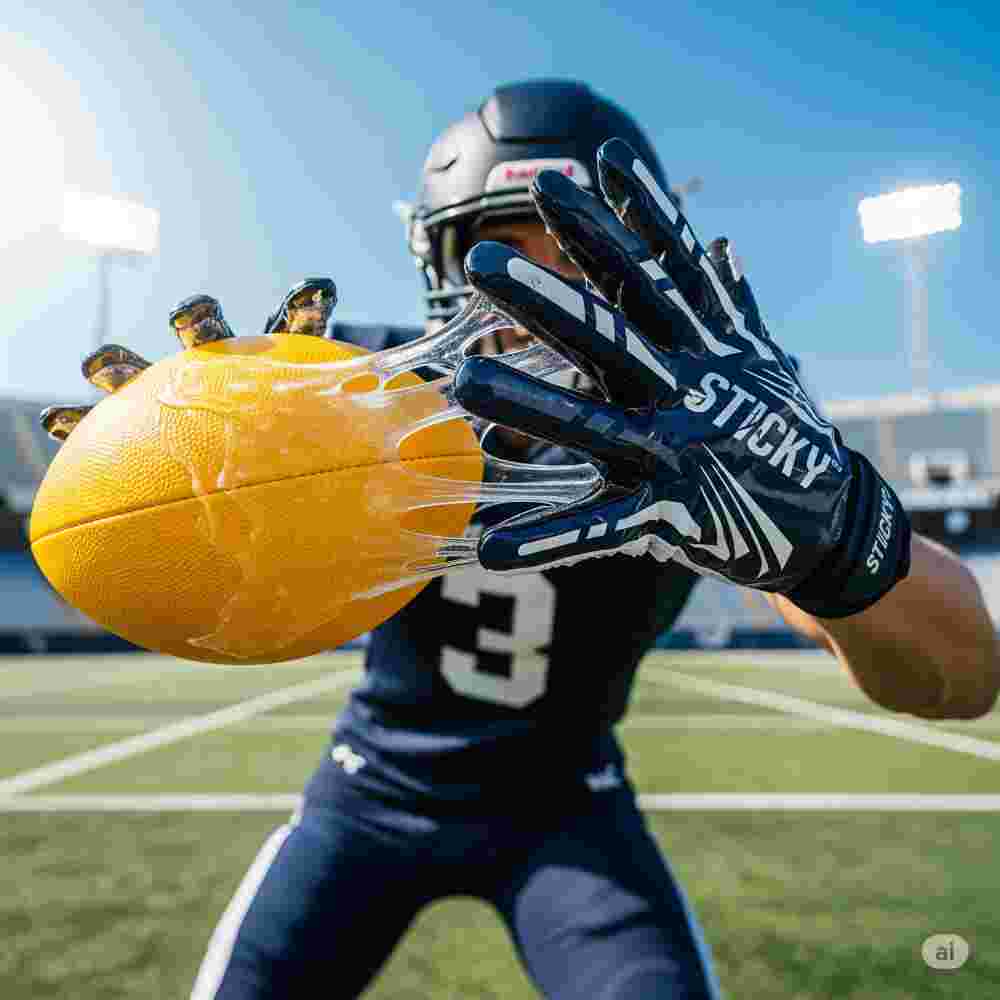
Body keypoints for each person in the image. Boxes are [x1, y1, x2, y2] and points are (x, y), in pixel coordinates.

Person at [44, 79, 999, 999]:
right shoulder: (355, 399)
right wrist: (186, 462)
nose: (545, 303)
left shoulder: (713, 434)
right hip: (370, 791)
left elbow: (959, 678)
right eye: (502, 256)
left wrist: (837, 541)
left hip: (568, 807)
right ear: (442, 271)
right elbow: (198, 513)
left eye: (579, 261)